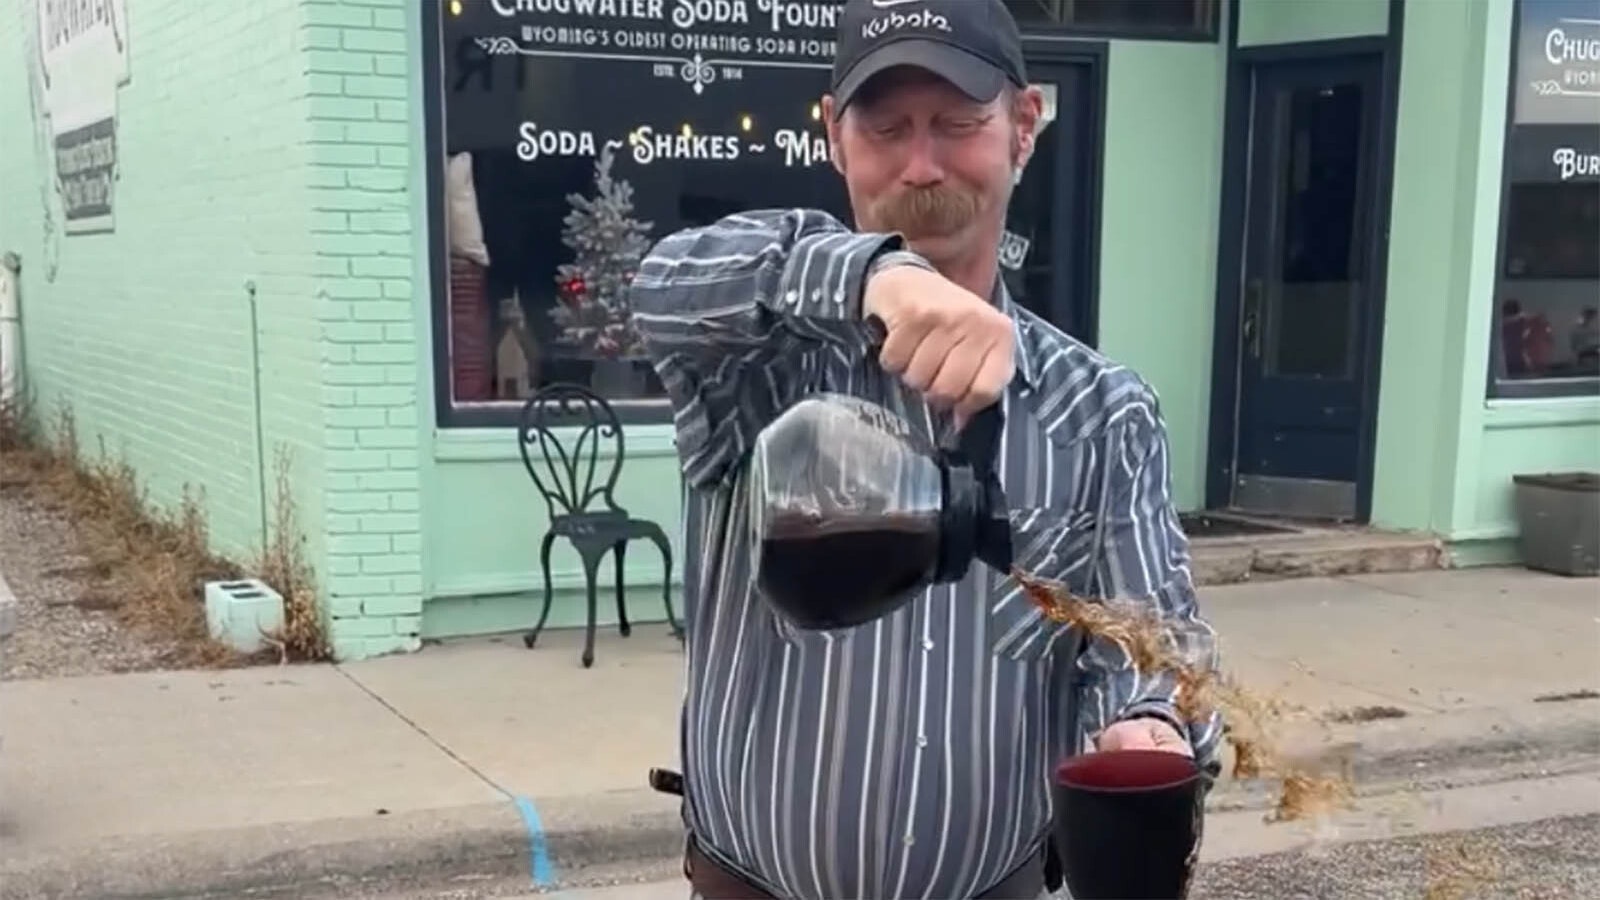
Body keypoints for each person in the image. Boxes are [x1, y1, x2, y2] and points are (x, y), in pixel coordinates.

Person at [629, 1, 1223, 897]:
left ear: (1024, 125)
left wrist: (1152, 722)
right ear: (834, 135)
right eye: (887, 128)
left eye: (957, 122)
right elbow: (663, 284)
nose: (922, 165)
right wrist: (873, 273)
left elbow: (1152, 643)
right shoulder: (756, 372)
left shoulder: (1102, 414)